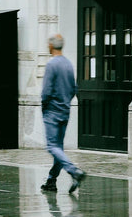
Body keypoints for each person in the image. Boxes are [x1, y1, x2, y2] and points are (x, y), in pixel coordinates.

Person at [40, 34, 86, 193]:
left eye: (48, 43)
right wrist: (65, 101)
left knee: (52, 146)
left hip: (52, 110)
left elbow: (46, 92)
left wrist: (44, 106)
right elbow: (74, 89)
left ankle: (74, 171)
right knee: (58, 148)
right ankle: (51, 181)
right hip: (65, 110)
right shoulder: (68, 63)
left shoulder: (51, 64)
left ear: (51, 46)